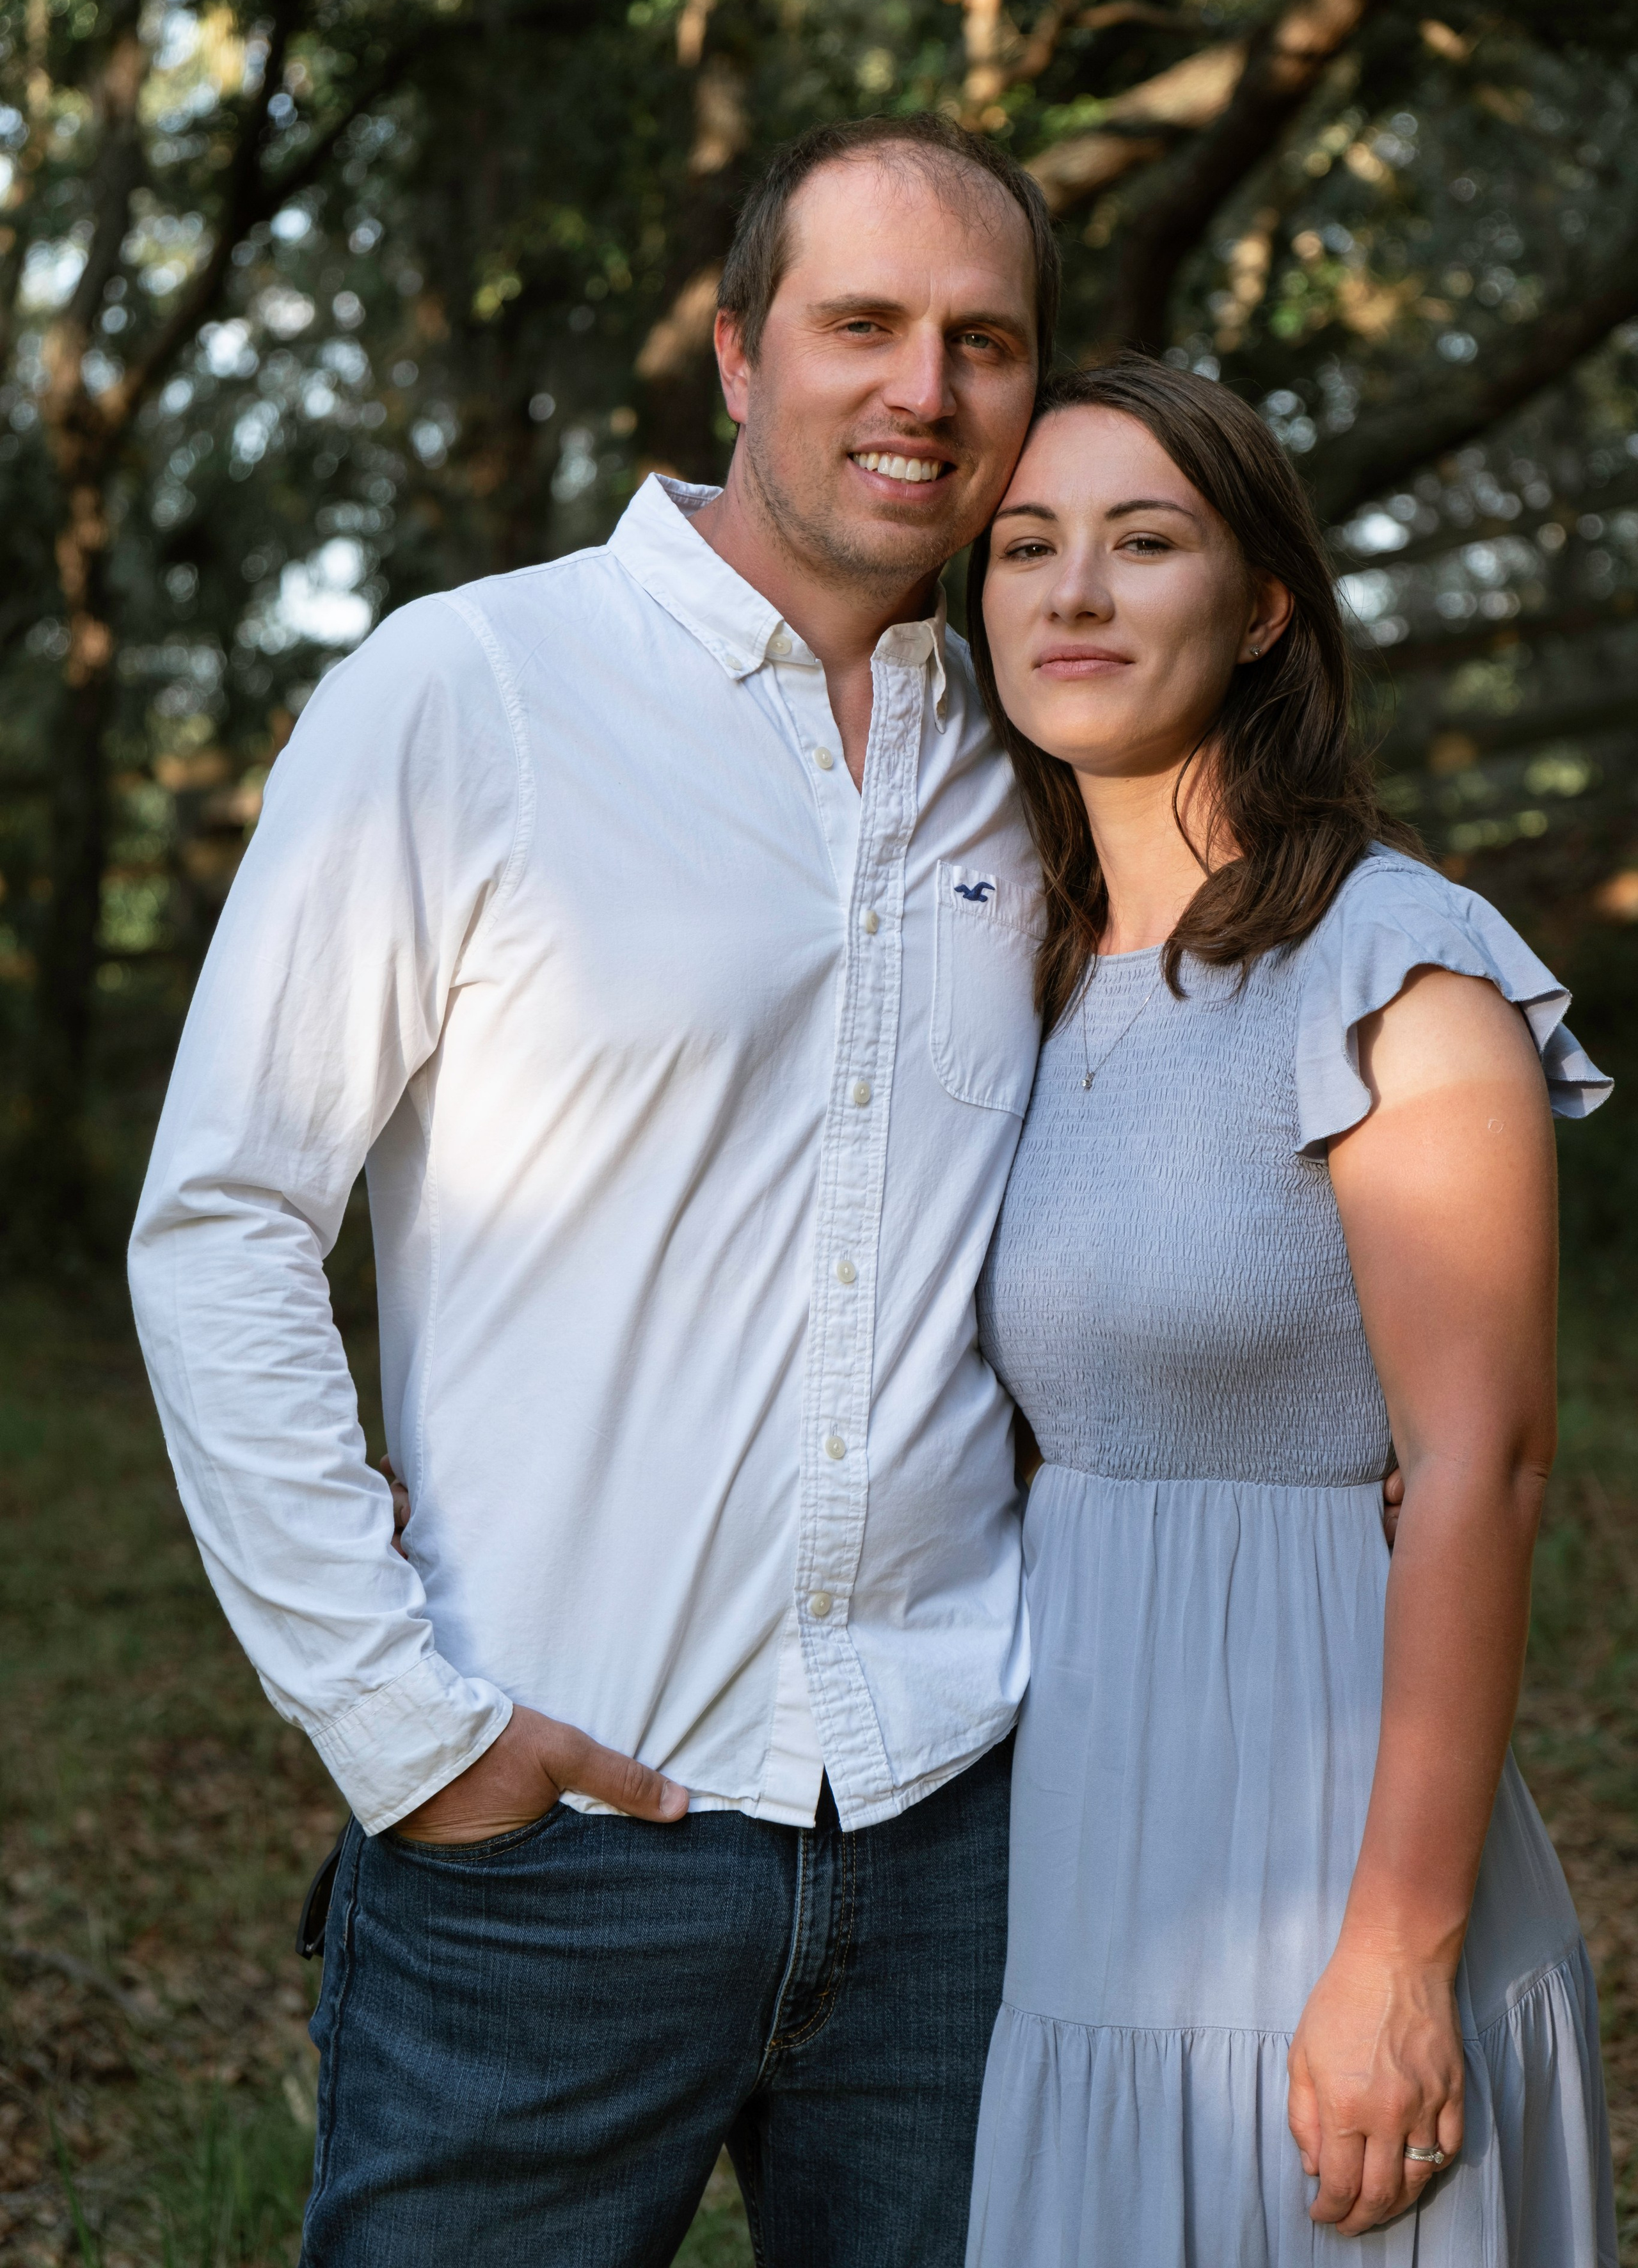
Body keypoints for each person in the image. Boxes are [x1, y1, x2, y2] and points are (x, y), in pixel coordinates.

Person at [129, 113, 1058, 2267]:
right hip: (552, 1849)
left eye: (985, 341)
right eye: (862, 323)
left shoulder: (1036, 754)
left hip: (958, 1835)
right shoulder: (470, 687)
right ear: (738, 356)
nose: (924, 390)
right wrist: (403, 1727)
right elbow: (226, 1222)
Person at [962, 359, 1618, 2265]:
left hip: (1330, 1840)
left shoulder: (1397, 967)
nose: (1077, 592)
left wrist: (1398, 1955)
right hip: (1085, 1842)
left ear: (1262, 609)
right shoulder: (1026, 974)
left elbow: (1485, 1464)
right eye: (1026, 546)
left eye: (1144, 541)